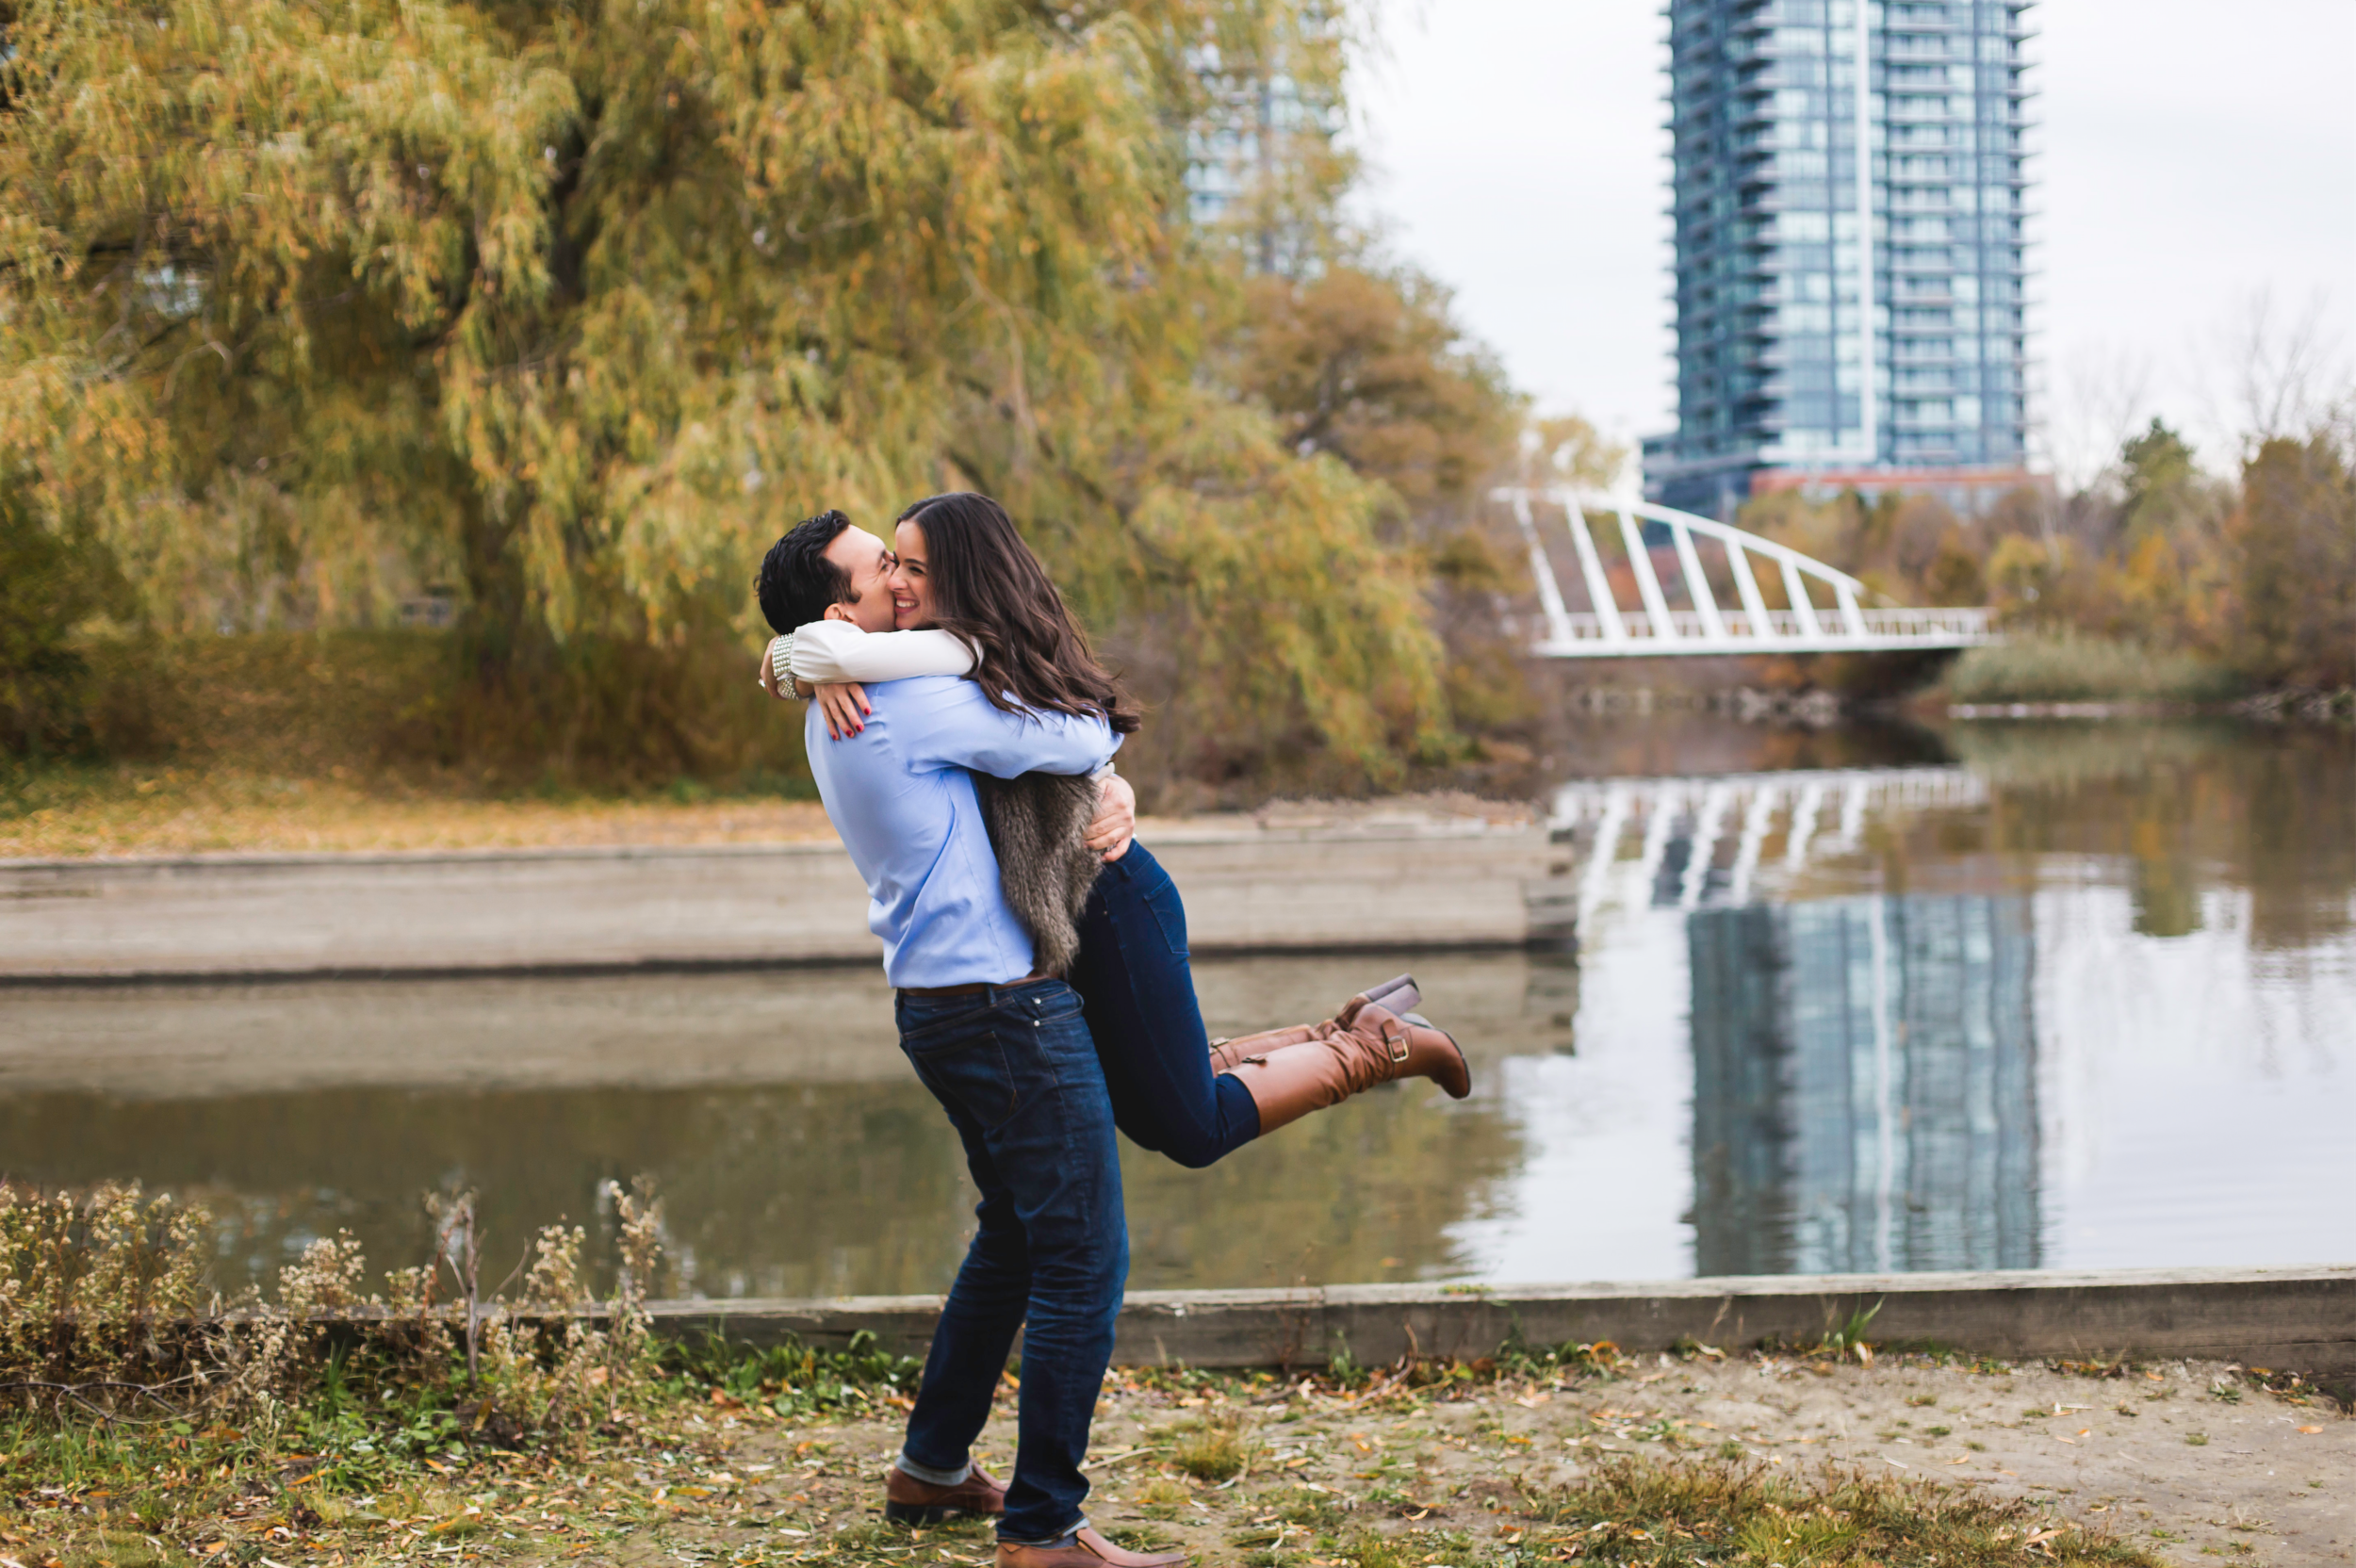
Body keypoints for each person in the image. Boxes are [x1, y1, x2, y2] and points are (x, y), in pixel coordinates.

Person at [754, 498, 1468, 1568]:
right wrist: (809, 655)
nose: (897, 585)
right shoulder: (898, 706)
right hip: (1004, 1011)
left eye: (905, 567)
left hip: (945, 1009)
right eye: (875, 574)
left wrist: (805, 656)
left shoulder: (857, 700)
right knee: (1084, 1254)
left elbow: (1064, 738)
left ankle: (932, 1464)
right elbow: (1080, 730)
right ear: (835, 618)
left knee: (1016, 1235)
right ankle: (1042, 1525)